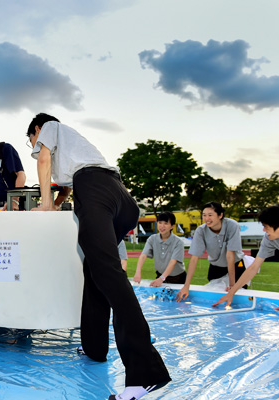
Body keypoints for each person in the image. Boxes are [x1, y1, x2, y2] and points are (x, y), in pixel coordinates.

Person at [26, 113, 170, 400]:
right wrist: (56, 204)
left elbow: (43, 160)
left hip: (94, 194)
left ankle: (146, 374)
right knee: (93, 270)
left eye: (32, 138)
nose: (34, 145)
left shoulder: (52, 128)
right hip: (121, 198)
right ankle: (94, 347)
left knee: (108, 274)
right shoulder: (76, 147)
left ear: (38, 129)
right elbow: (66, 187)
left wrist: (44, 206)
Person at [176, 202, 245, 302]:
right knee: (214, 300)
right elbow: (194, 258)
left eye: (210, 215)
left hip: (236, 266)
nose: (207, 218)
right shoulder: (201, 231)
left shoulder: (232, 226)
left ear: (220, 215)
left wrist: (232, 286)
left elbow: (230, 256)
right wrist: (186, 286)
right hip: (216, 267)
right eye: (204, 215)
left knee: (237, 299)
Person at [213, 205, 279, 307]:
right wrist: (231, 293)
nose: (264, 230)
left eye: (266, 227)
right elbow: (253, 267)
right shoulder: (269, 239)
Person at [133, 212, 186, 287]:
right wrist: (138, 272)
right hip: (160, 276)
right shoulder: (152, 239)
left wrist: (161, 279)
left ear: (172, 226)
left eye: (166, 223)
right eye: (160, 222)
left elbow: (173, 262)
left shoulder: (178, 242)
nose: (162, 226)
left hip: (178, 278)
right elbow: (143, 256)